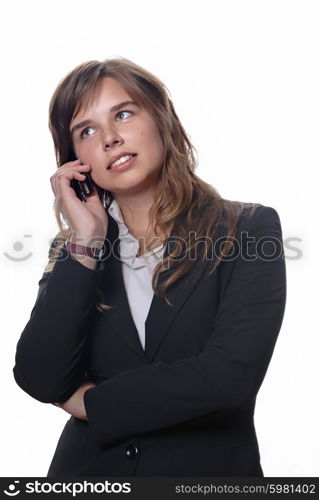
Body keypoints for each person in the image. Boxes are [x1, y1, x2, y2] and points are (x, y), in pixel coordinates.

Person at [13, 56, 286, 477]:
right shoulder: (76, 250)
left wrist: (91, 404)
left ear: (161, 119)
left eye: (122, 114)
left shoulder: (248, 229)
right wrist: (85, 240)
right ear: (75, 159)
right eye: (87, 131)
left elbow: (229, 379)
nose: (109, 138)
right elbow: (40, 377)